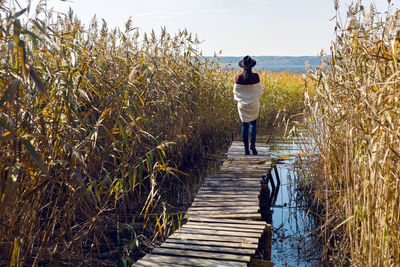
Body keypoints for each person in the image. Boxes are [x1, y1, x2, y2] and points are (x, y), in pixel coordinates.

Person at [233, 55, 263, 155]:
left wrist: (243, 99)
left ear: (242, 66)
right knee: (253, 124)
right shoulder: (256, 76)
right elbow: (259, 90)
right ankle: (253, 146)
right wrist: (254, 98)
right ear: (251, 66)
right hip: (253, 104)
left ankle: (246, 149)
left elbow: (236, 92)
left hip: (242, 105)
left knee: (244, 125)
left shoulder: (238, 77)